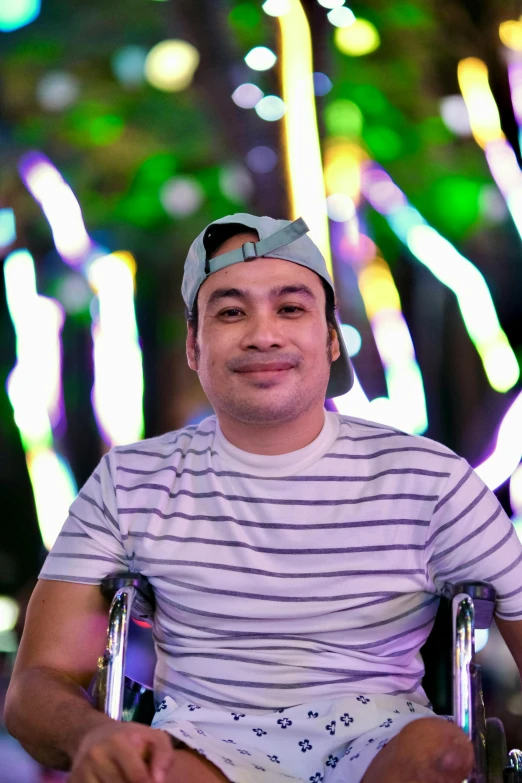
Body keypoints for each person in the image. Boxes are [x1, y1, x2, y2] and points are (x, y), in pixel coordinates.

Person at [5, 214, 522, 783]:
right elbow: (37, 685)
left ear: (330, 338)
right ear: (194, 346)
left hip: (384, 744)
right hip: (198, 749)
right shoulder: (129, 482)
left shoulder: (431, 481)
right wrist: (96, 735)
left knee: (438, 747)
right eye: (230, 312)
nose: (263, 333)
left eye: (291, 308)